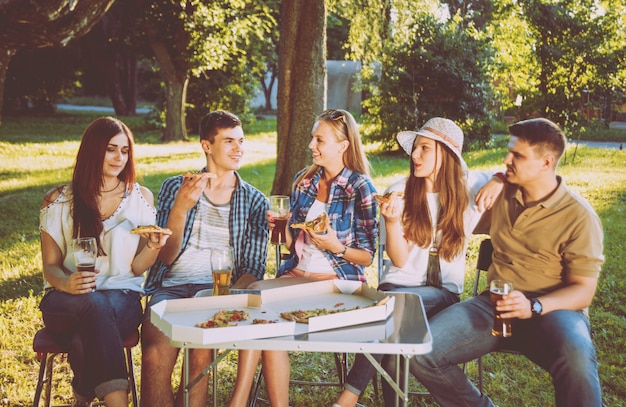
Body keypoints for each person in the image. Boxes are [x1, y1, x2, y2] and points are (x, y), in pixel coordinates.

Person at [399, 118, 604, 407]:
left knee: (577, 357)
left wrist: (534, 306)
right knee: (422, 351)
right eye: (509, 152)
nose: (507, 159)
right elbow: (452, 178)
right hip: (494, 305)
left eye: (517, 156)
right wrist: (499, 178)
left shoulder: (579, 216)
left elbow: (583, 291)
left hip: (553, 310)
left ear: (546, 163)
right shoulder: (501, 194)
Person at [333, 117, 505, 407]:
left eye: (424, 148)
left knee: (391, 311)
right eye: (415, 148)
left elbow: (520, 173)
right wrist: (390, 221)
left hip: (442, 295)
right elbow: (398, 260)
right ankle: (352, 399)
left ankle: (348, 398)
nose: (414, 155)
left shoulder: (471, 187)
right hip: (397, 286)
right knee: (395, 315)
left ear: (446, 155)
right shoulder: (399, 189)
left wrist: (501, 179)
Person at [228, 108, 379, 407]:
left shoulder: (360, 188)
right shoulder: (304, 182)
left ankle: (238, 402)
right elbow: (292, 244)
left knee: (262, 306)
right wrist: (282, 228)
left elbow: (367, 257)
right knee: (255, 299)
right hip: (297, 277)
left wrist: (336, 246)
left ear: (343, 146)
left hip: (338, 283)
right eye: (312, 138)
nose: (311, 145)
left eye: (319, 140)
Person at [140, 110, 269, 407]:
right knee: (155, 351)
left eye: (241, 141)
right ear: (206, 146)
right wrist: (181, 208)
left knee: (200, 354)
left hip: (215, 293)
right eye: (229, 141)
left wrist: (224, 300)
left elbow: (251, 270)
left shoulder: (254, 201)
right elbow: (167, 258)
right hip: (170, 289)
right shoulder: (176, 187)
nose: (239, 149)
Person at [39, 117, 168, 407]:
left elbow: (136, 268)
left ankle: (82, 396)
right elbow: (50, 266)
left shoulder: (140, 198)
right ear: (93, 150)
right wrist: (66, 283)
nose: (119, 158)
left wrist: (153, 247)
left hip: (122, 298)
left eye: (125, 151)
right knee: (93, 305)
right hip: (64, 301)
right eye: (111, 149)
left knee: (85, 337)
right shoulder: (58, 200)